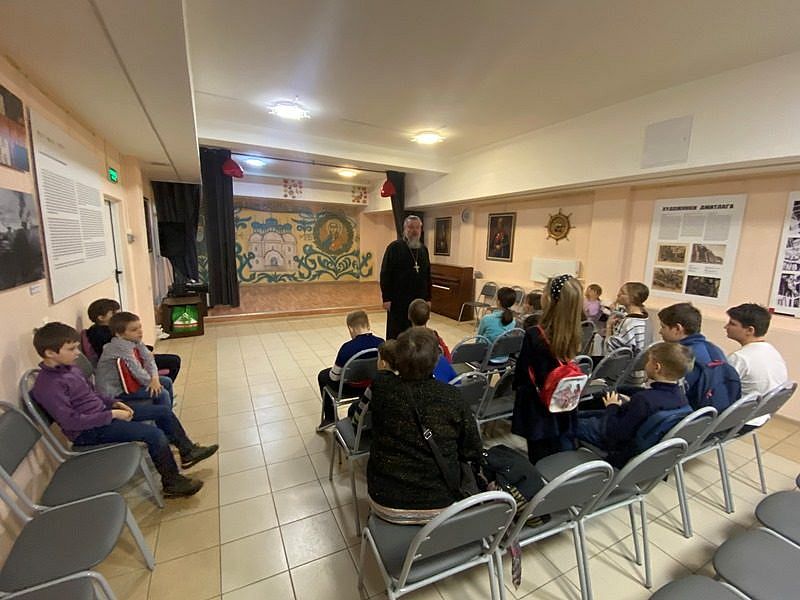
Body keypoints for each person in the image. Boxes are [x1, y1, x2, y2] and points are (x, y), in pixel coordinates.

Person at [31, 323, 217, 498]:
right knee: (154, 435)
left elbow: (92, 394)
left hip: (104, 414)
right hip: (88, 431)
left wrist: (114, 403)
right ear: (50, 353)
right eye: (71, 349)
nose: (77, 353)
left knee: (163, 411)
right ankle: (172, 483)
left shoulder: (70, 369)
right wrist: (111, 414)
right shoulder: (48, 386)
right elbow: (71, 421)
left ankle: (187, 452)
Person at [367, 328, 482, 523]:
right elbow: (472, 449)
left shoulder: (381, 386)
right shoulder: (452, 396)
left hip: (384, 501)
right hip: (442, 506)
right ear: (436, 361)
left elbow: (384, 375)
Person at [575, 342, 692, 467]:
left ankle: (568, 459)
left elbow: (615, 432)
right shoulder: (681, 397)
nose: (646, 364)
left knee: (568, 424)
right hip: (640, 444)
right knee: (587, 414)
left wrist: (612, 406)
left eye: (648, 361)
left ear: (656, 367)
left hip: (614, 441)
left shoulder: (643, 400)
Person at [512, 274, 584, 462]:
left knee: (539, 457)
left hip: (538, 410)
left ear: (550, 299)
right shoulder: (576, 333)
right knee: (558, 453)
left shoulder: (535, 334)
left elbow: (522, 374)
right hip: (564, 403)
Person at [658, 302, 739, 410]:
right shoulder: (715, 349)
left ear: (677, 328)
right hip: (713, 412)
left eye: (663, 327)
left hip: (689, 412)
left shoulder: (679, 356)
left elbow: (671, 395)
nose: (660, 332)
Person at [316, 310, 384, 431]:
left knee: (322, 375)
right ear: (368, 325)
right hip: (371, 386)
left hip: (351, 387)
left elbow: (334, 377)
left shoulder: (347, 348)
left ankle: (330, 418)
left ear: (351, 328)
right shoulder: (381, 343)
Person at [725, 303, 788, 429]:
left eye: (732, 324)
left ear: (750, 330)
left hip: (740, 421)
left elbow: (719, 392)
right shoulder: (771, 351)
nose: (726, 326)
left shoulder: (740, 358)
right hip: (761, 416)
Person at [86, 298, 181, 381]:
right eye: (113, 313)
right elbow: (124, 348)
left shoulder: (100, 330)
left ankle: (162, 388)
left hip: (132, 356)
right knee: (173, 361)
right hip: (126, 362)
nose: (118, 315)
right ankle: (160, 389)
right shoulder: (102, 333)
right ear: (101, 318)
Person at [95, 312, 175, 408]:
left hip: (130, 381)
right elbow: (136, 370)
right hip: (116, 390)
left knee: (167, 381)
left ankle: (168, 411)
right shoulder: (119, 347)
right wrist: (151, 383)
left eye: (140, 327)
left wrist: (155, 378)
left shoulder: (135, 340)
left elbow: (149, 358)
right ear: (119, 334)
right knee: (161, 393)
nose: (140, 332)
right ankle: (165, 414)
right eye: (134, 330)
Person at [380, 215, 431, 340]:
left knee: (417, 334)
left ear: (421, 230)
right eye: (411, 227)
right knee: (397, 333)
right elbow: (385, 273)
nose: (414, 231)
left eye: (417, 228)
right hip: (398, 300)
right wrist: (386, 298)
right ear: (404, 229)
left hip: (418, 300)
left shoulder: (423, 250)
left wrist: (428, 298)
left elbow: (428, 275)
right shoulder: (394, 248)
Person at [408, 298, 456, 381]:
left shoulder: (405, 340)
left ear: (409, 316)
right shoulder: (436, 337)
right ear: (429, 317)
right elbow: (448, 359)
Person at [604, 282, 651, 354]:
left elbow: (610, 351)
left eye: (622, 292)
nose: (618, 294)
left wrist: (609, 326)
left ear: (632, 298)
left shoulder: (629, 323)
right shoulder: (646, 318)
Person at [477, 286, 518, 364]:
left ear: (498, 301)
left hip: (487, 358)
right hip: (504, 357)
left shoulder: (487, 318)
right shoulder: (513, 321)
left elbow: (479, 337)